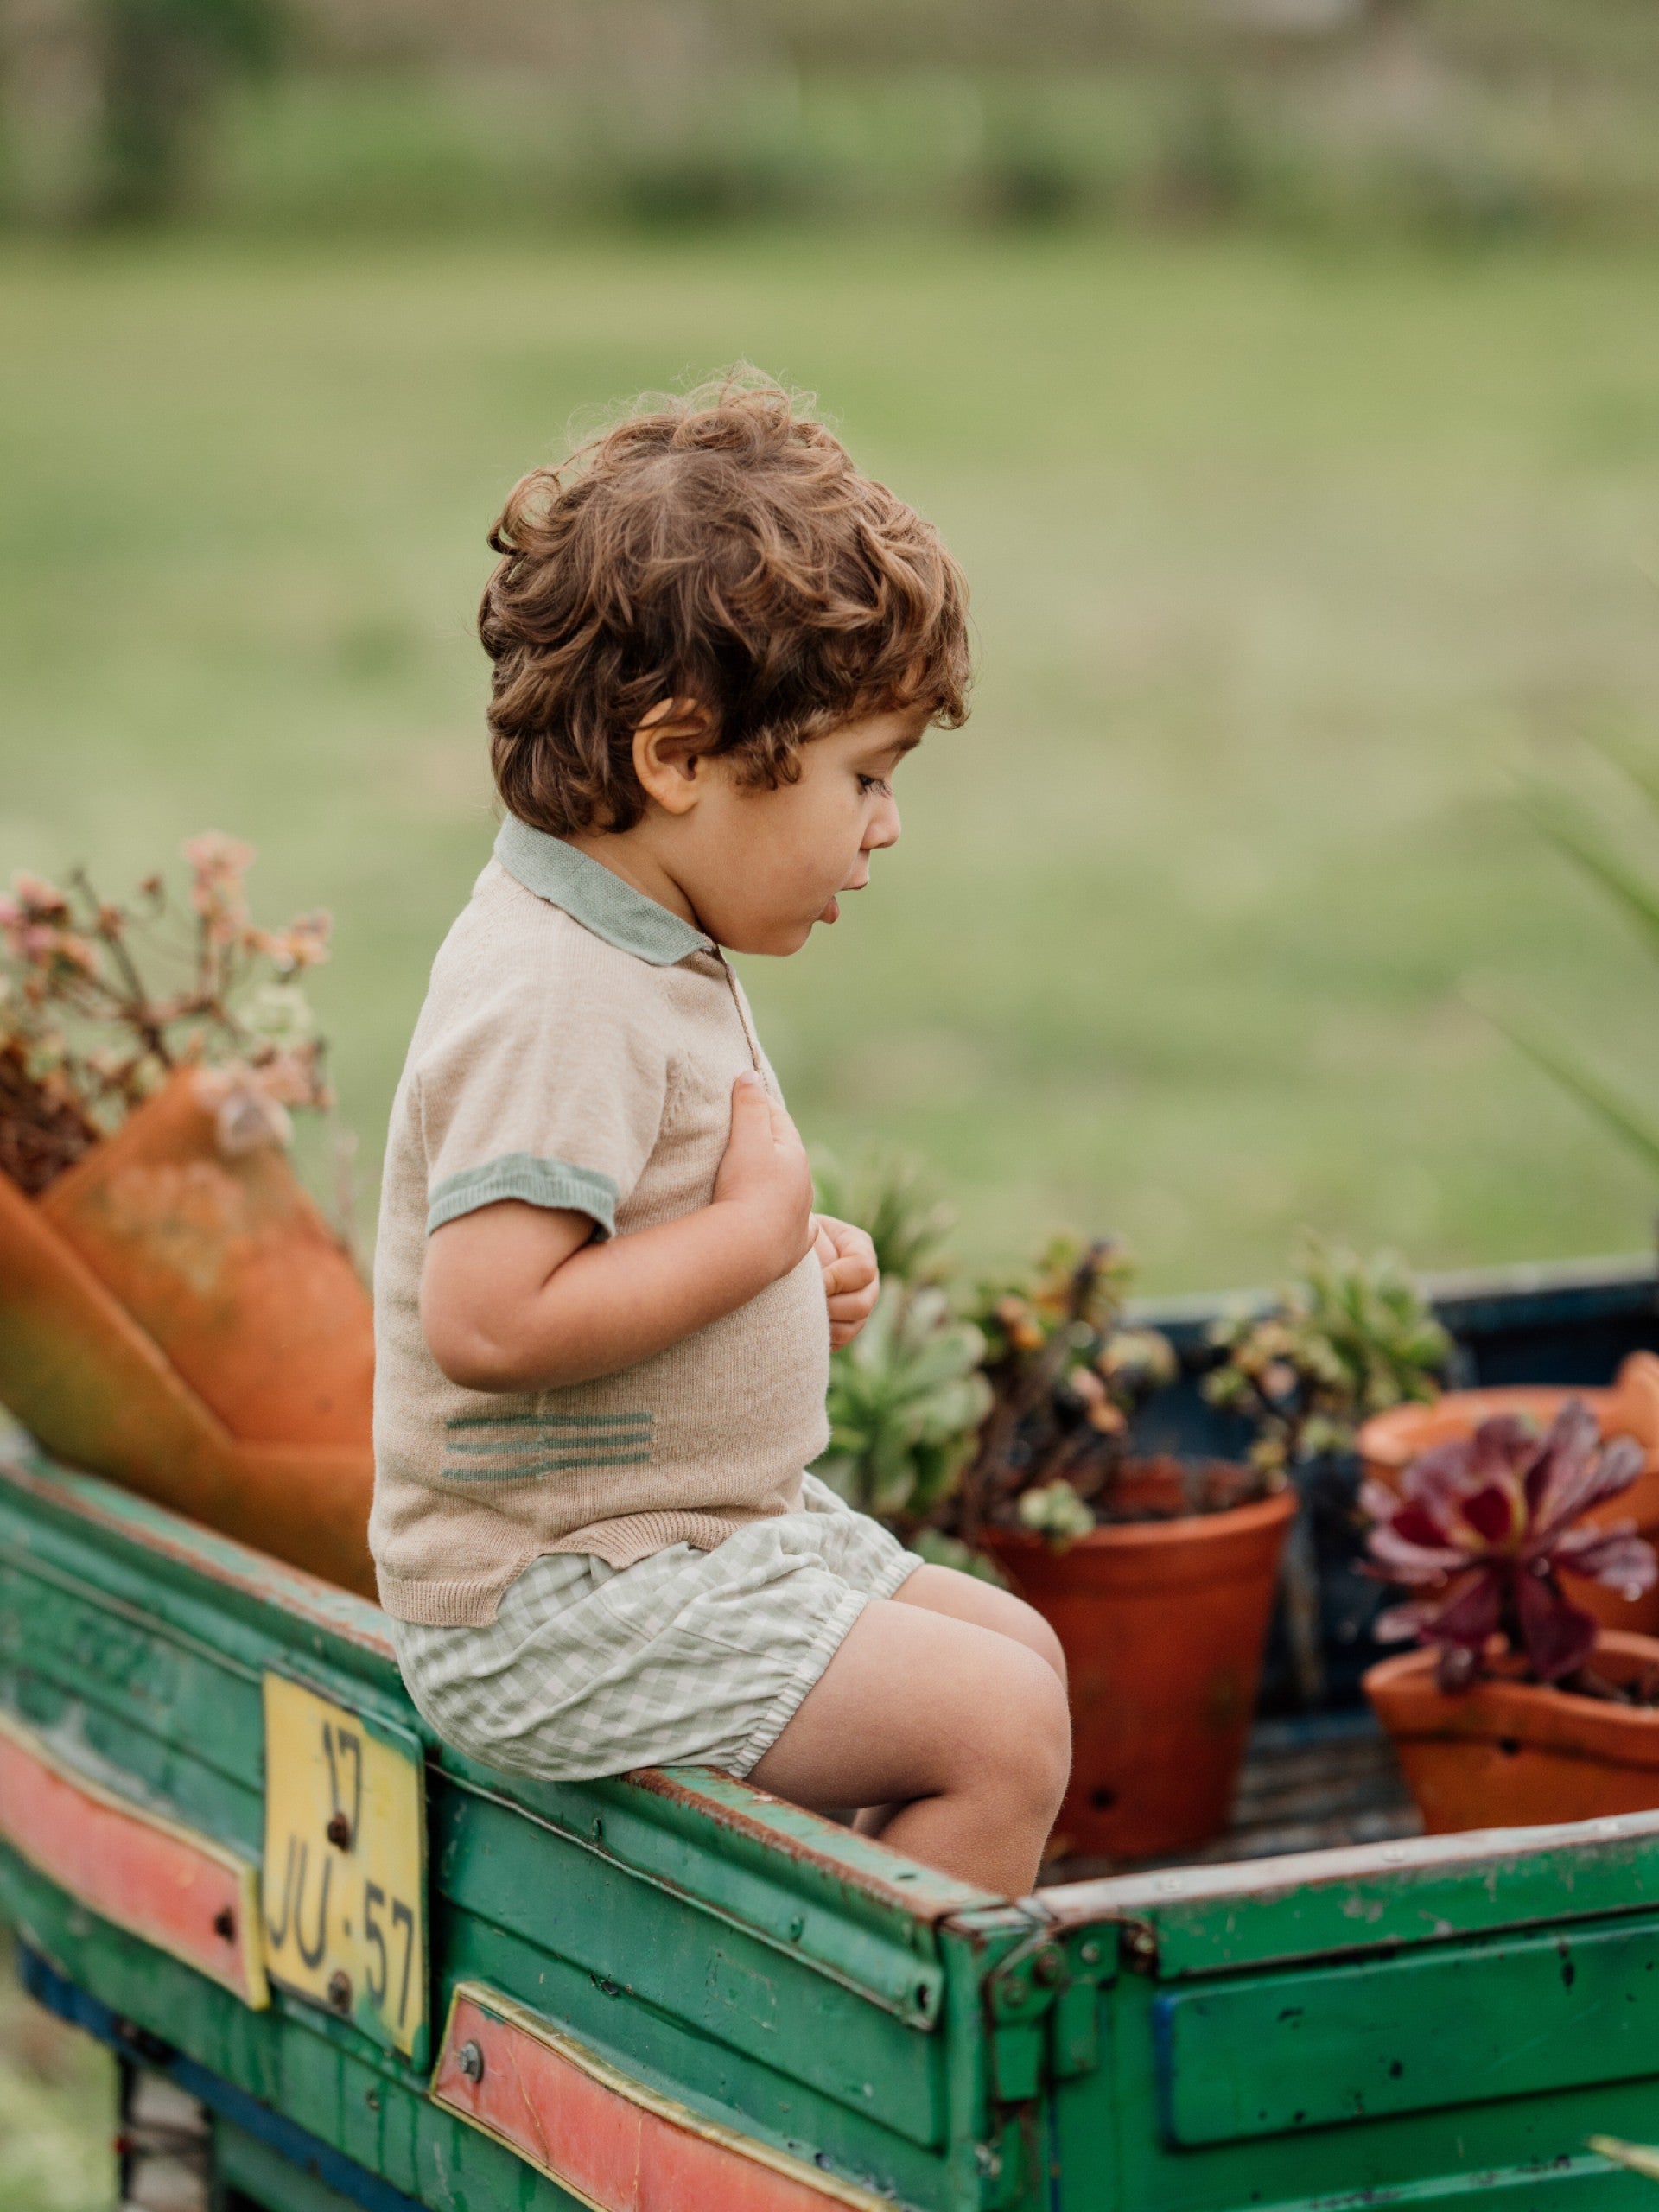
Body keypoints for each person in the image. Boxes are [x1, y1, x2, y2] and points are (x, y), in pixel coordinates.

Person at [369, 372, 1071, 1897]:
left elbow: (616, 1235)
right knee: (1000, 1726)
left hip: (673, 1545)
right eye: (862, 776)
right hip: (550, 1603)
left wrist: (762, 1271)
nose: (885, 826)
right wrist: (745, 1240)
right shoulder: (557, 992)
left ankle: (801, 1967)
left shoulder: (636, 934)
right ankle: (843, 2111)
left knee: (1015, 1648)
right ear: (679, 758)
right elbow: (488, 1316)